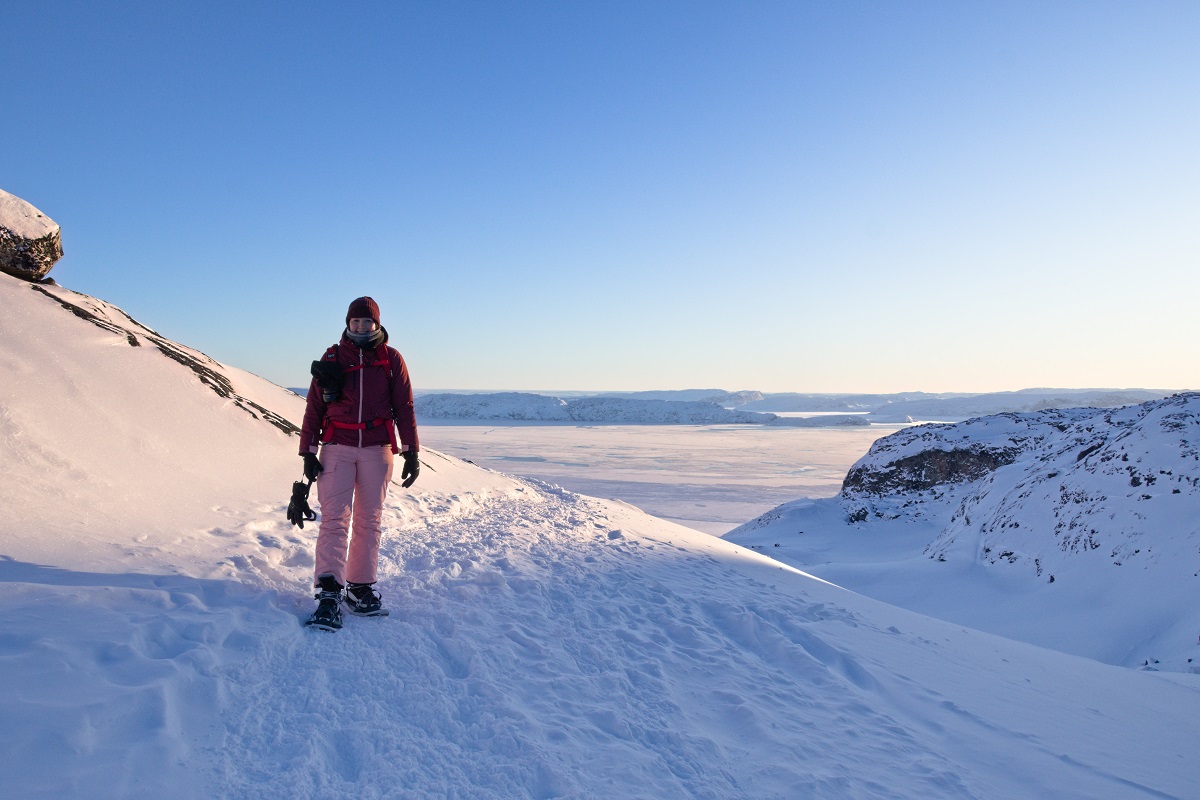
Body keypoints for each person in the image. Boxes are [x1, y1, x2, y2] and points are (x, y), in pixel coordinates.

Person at [297, 296, 420, 630]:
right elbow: (313, 407)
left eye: (367, 322)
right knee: (335, 520)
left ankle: (360, 589)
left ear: (377, 324)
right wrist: (308, 450)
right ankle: (328, 593)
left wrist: (411, 451)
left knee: (369, 521)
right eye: (356, 322)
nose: (361, 327)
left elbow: (404, 406)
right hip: (337, 446)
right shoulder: (333, 357)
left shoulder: (391, 360)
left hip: (377, 449)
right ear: (348, 324)